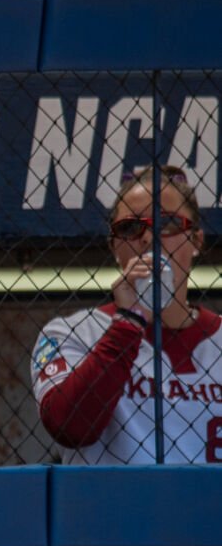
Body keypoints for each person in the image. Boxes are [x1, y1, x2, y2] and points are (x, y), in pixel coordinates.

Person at [35, 165, 222, 465]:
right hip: (116, 508)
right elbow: (69, 427)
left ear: (196, 240)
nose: (149, 238)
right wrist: (129, 321)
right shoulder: (72, 333)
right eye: (130, 228)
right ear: (113, 246)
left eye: (168, 223)